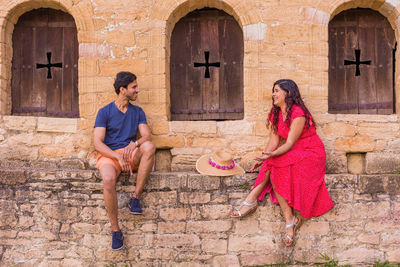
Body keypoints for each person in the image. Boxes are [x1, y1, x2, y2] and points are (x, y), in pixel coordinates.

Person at [232, 79, 334, 246]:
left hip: (310, 152)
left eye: (277, 91)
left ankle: (250, 202)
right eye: (273, 91)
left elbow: (289, 143)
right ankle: (289, 220)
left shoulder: (298, 112)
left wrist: (269, 156)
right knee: (272, 165)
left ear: (288, 93)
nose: (273, 94)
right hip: (293, 152)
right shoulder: (276, 113)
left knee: (273, 162)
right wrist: (263, 157)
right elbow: (274, 142)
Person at [93, 71, 156, 250]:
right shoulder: (104, 112)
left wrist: (134, 143)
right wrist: (117, 156)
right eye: (134, 87)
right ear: (123, 90)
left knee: (149, 147)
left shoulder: (137, 111)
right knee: (108, 179)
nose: (137, 90)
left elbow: (146, 136)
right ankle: (115, 230)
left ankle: (135, 198)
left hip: (130, 154)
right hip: (110, 155)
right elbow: (97, 143)